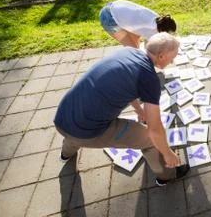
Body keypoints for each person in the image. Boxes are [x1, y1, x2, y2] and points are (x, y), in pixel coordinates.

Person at [53, 32, 189, 186]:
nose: (173, 61)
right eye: (173, 57)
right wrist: (167, 153)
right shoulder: (149, 79)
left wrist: (139, 110)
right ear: (161, 56)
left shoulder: (128, 51)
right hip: (87, 131)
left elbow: (127, 84)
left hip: (63, 117)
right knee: (151, 140)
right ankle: (167, 175)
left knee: (77, 125)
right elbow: (155, 129)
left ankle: (66, 154)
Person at [99, 0, 176, 48]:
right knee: (133, 49)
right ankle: (129, 70)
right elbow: (150, 49)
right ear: (163, 31)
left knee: (136, 43)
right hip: (109, 17)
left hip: (115, 5)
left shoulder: (158, 19)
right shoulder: (153, 32)